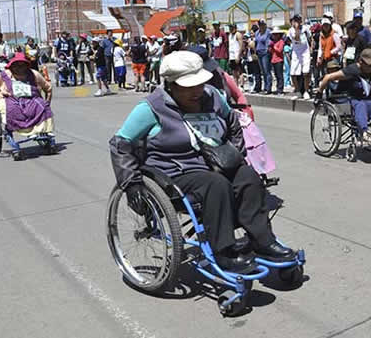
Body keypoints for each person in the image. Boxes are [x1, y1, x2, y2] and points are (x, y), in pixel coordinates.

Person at [109, 50, 296, 273]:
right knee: (215, 184)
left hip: (214, 165)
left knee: (247, 176)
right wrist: (131, 182)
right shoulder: (151, 108)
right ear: (171, 85)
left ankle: (262, 240)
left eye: (199, 84)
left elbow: (233, 124)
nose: (197, 91)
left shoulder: (213, 96)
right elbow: (121, 143)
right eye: (189, 87)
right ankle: (224, 251)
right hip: (175, 174)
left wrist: (232, 155)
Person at [318, 48, 371, 145]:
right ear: (360, 61)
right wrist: (319, 94)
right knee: (361, 104)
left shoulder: (367, 71)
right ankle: (364, 134)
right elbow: (327, 77)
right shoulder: (351, 70)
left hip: (358, 98)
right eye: (368, 65)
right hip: (343, 99)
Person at [0, 52, 54, 139]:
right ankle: (29, 131)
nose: (19, 68)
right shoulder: (4, 75)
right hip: (9, 99)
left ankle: (44, 130)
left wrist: (47, 101)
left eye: (22, 65)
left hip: (31, 99)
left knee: (43, 106)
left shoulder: (34, 74)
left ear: (26, 66)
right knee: (13, 110)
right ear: (11, 66)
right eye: (16, 65)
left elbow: (48, 88)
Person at [288, 15, 312, 99]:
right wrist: (297, 29)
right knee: (293, 73)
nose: (298, 22)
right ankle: (298, 91)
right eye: (296, 20)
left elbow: (310, 39)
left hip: (305, 52)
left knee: (305, 72)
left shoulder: (306, 28)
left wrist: (311, 48)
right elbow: (296, 38)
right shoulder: (291, 31)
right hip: (296, 53)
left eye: (299, 20)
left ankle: (306, 91)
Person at [254, 20, 272, 94]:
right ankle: (265, 87)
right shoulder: (257, 32)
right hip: (259, 53)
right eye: (260, 24)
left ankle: (268, 88)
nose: (261, 26)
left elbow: (269, 42)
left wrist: (267, 49)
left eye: (262, 24)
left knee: (267, 70)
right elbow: (256, 42)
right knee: (263, 71)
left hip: (265, 53)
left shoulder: (268, 32)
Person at [269, 27, 286, 95]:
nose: (274, 36)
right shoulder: (274, 42)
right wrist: (270, 48)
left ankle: (280, 89)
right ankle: (278, 88)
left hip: (279, 60)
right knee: (276, 75)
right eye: (273, 34)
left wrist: (274, 47)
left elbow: (279, 50)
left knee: (279, 75)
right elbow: (271, 52)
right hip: (274, 60)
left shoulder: (281, 41)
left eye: (276, 34)